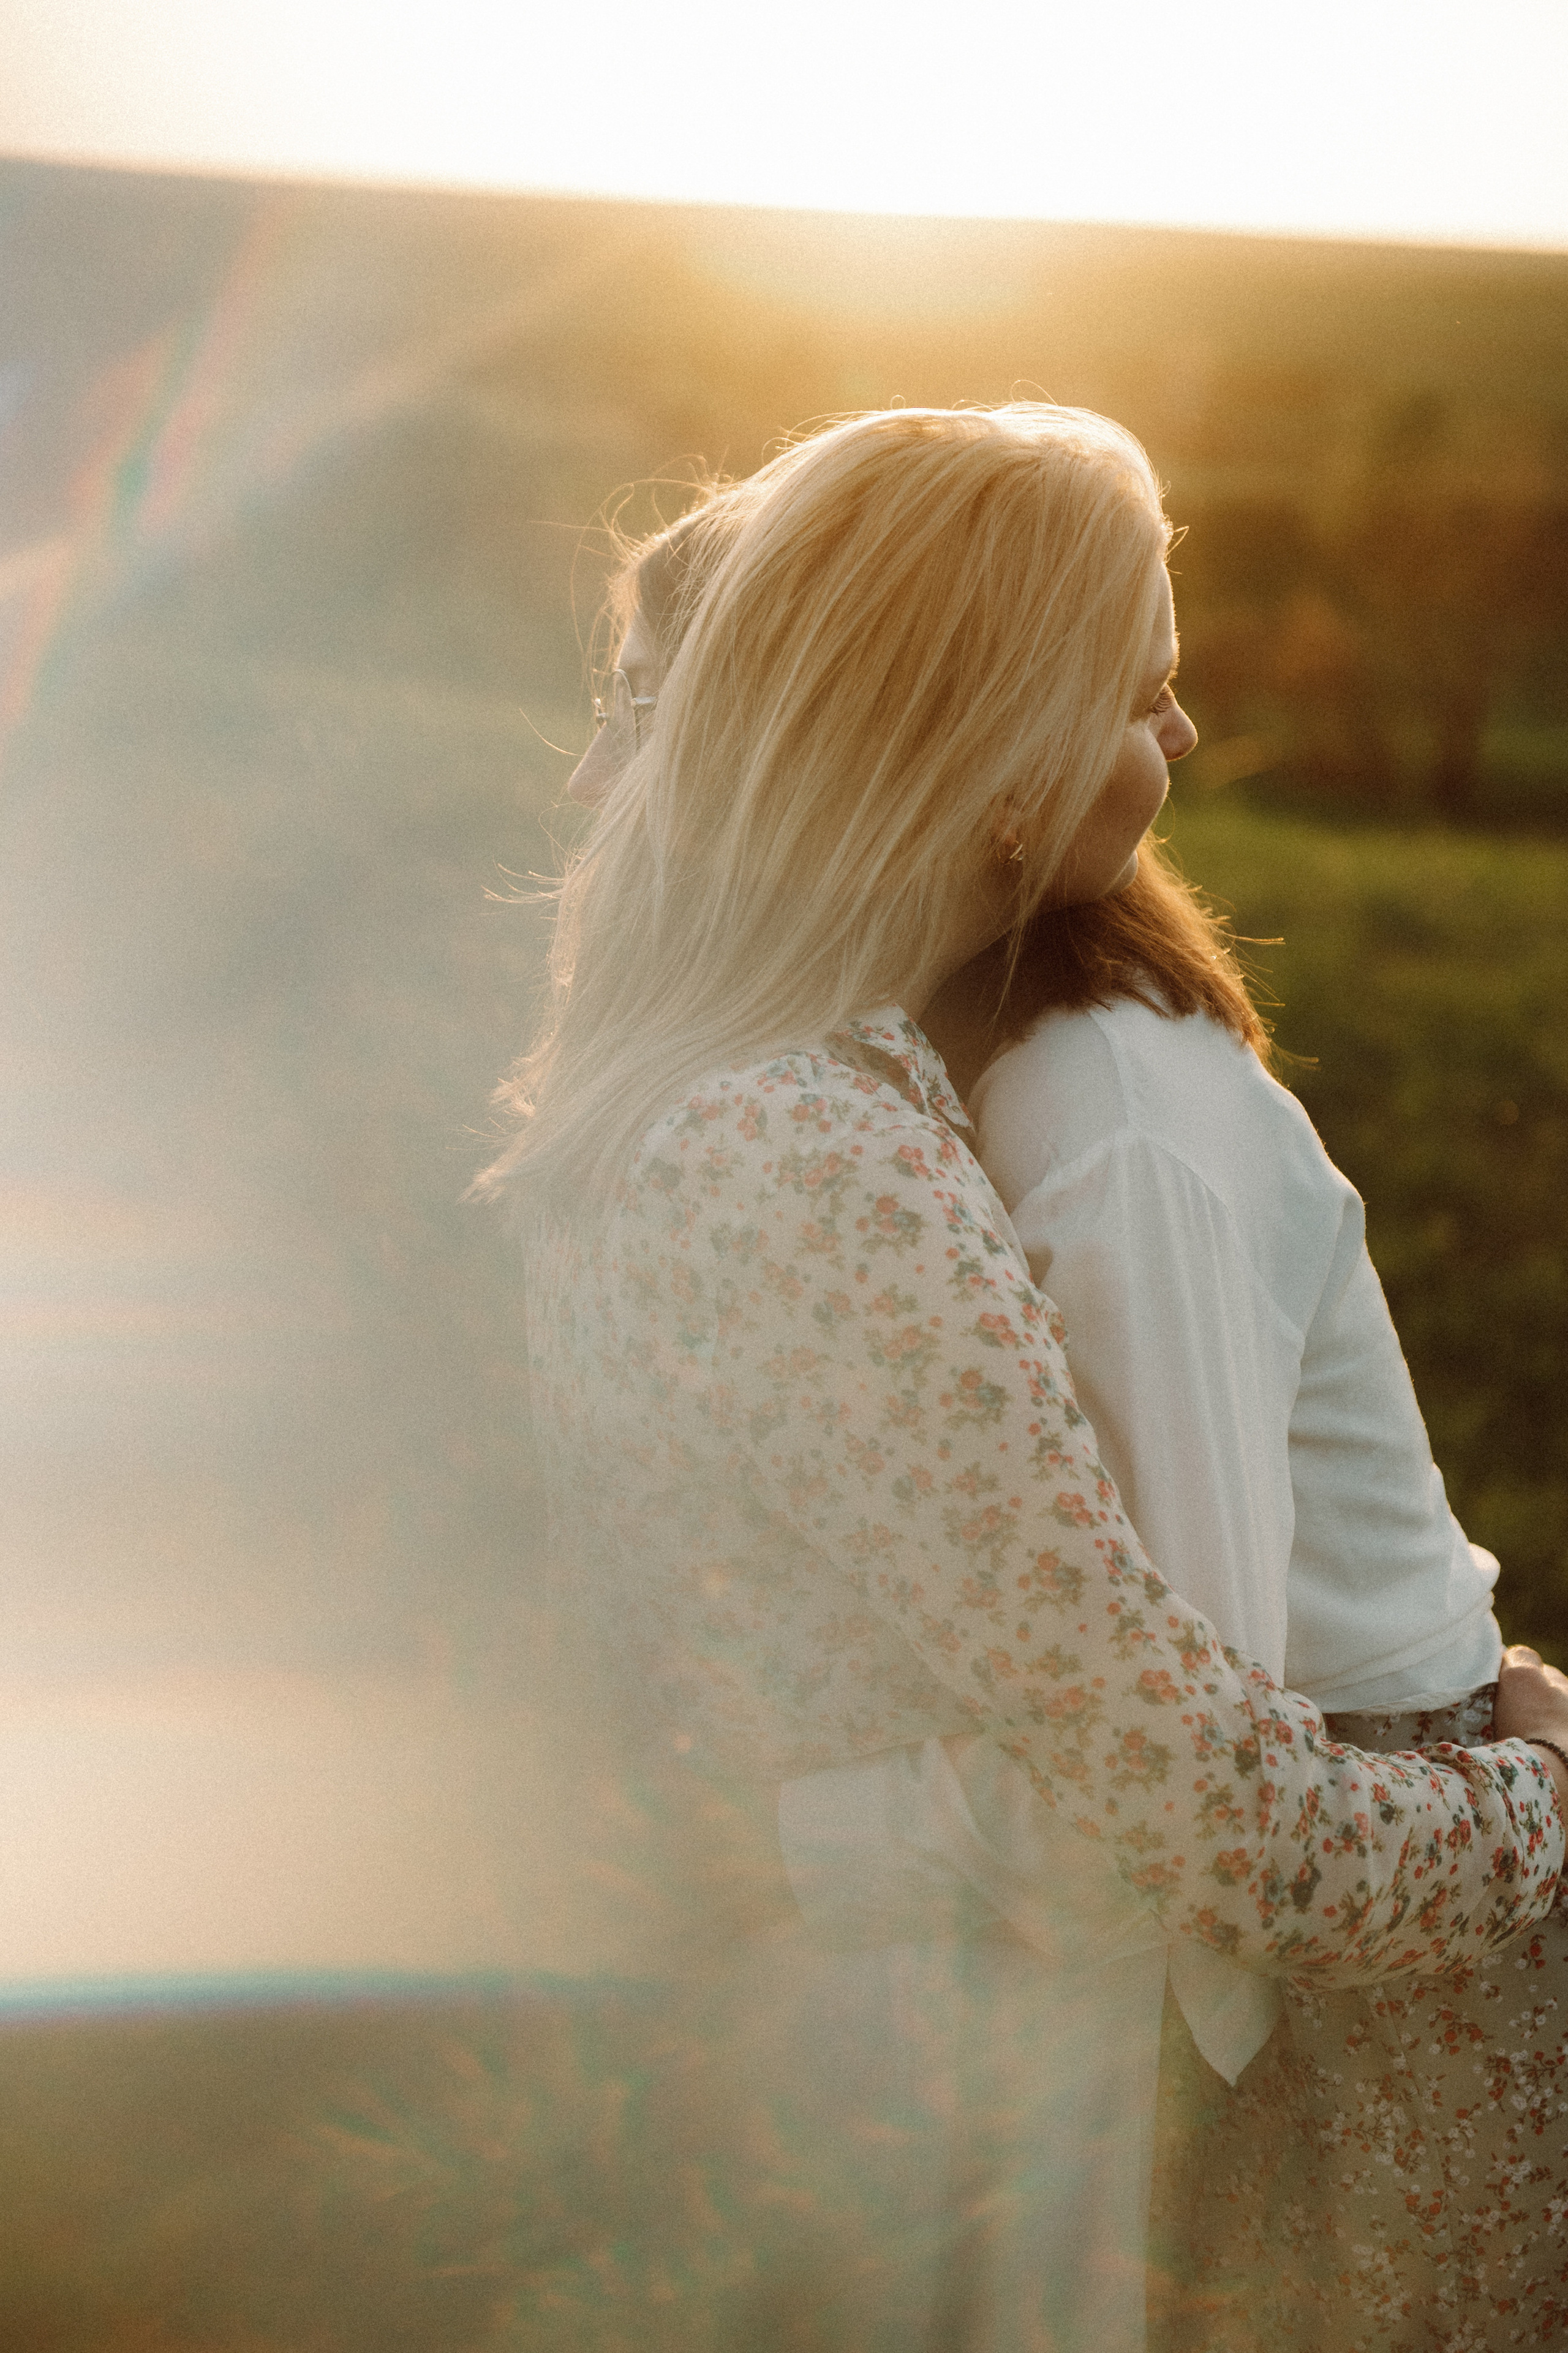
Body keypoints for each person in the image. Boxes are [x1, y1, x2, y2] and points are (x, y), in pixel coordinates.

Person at [481, 405, 1568, 2350]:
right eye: (1135, 687)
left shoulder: (709, 1100)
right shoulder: (821, 1152)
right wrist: (1543, 1793)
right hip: (946, 2103)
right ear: (1000, 762)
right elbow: (1199, 1819)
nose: (1188, 739)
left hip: (835, 2066)